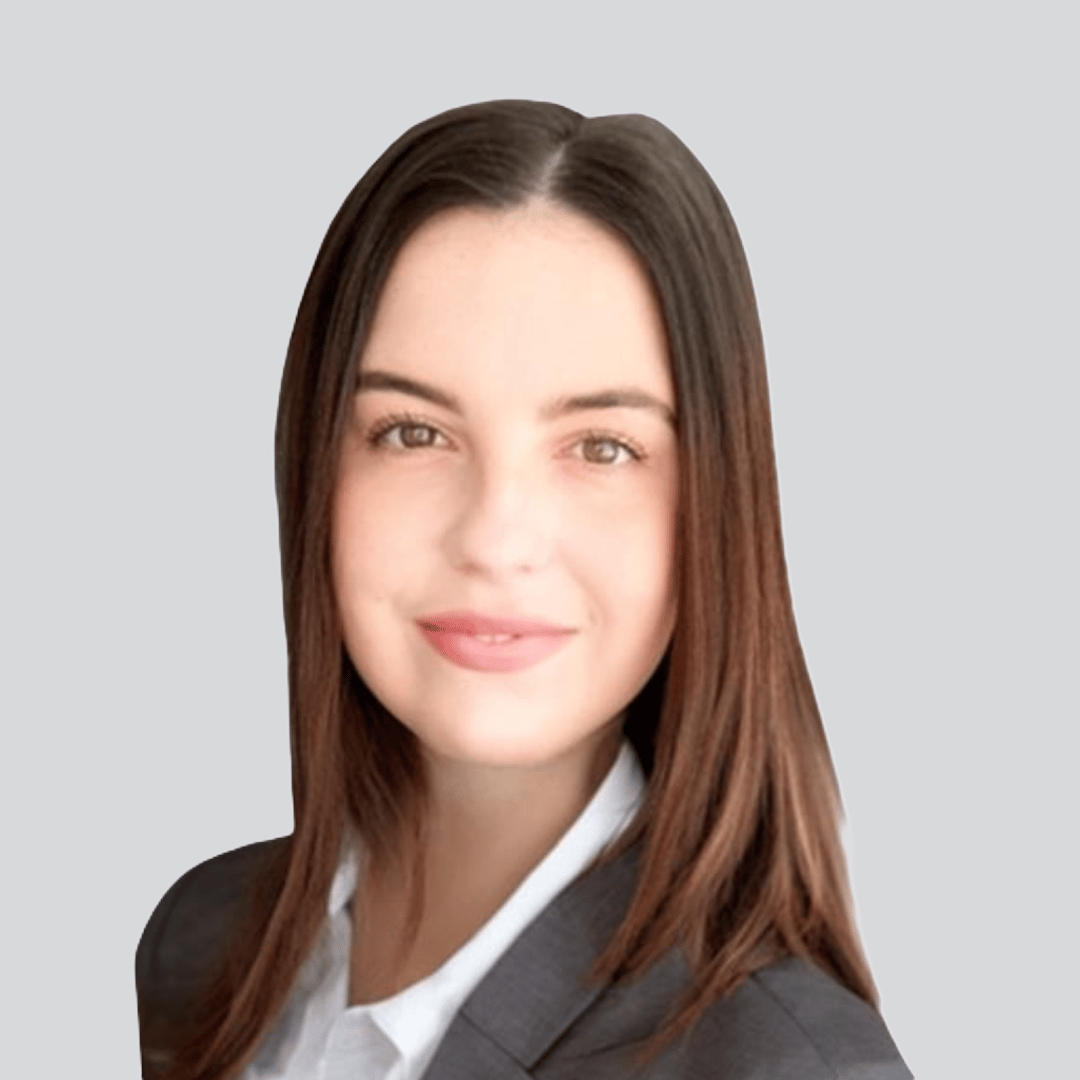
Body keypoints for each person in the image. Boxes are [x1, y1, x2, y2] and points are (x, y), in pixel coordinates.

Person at [135, 99, 912, 1080]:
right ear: (314, 466)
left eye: (603, 447)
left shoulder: (785, 1064)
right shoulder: (200, 938)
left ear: (717, 508)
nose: (496, 540)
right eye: (413, 432)